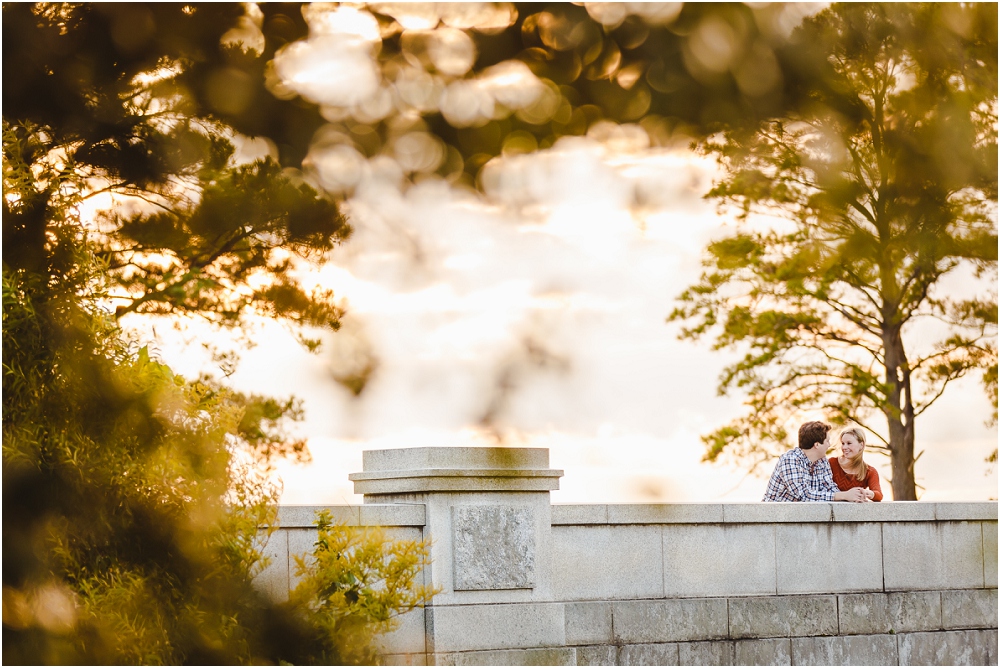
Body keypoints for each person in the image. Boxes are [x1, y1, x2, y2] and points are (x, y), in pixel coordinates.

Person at [762, 421, 869, 502]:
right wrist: (843, 495)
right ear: (817, 445)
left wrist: (854, 496)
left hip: (800, 518)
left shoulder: (822, 461)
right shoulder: (790, 460)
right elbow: (803, 495)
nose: (829, 444)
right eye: (827, 441)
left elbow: (829, 487)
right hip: (773, 521)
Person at [830, 427, 883, 501]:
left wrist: (868, 493)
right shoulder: (831, 463)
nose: (844, 447)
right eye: (843, 443)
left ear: (861, 445)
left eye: (849, 443)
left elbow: (879, 495)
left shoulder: (869, 471)